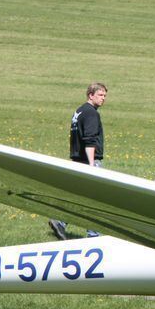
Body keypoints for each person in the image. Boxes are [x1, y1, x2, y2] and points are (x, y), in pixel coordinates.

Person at [49, 82, 108, 240]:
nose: (103, 98)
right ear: (91, 95)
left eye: (105, 96)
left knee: (79, 197)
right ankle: (94, 235)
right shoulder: (91, 113)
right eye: (100, 95)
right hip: (88, 161)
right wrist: (91, 166)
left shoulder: (80, 111)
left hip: (77, 159)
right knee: (95, 200)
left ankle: (60, 221)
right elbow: (89, 140)